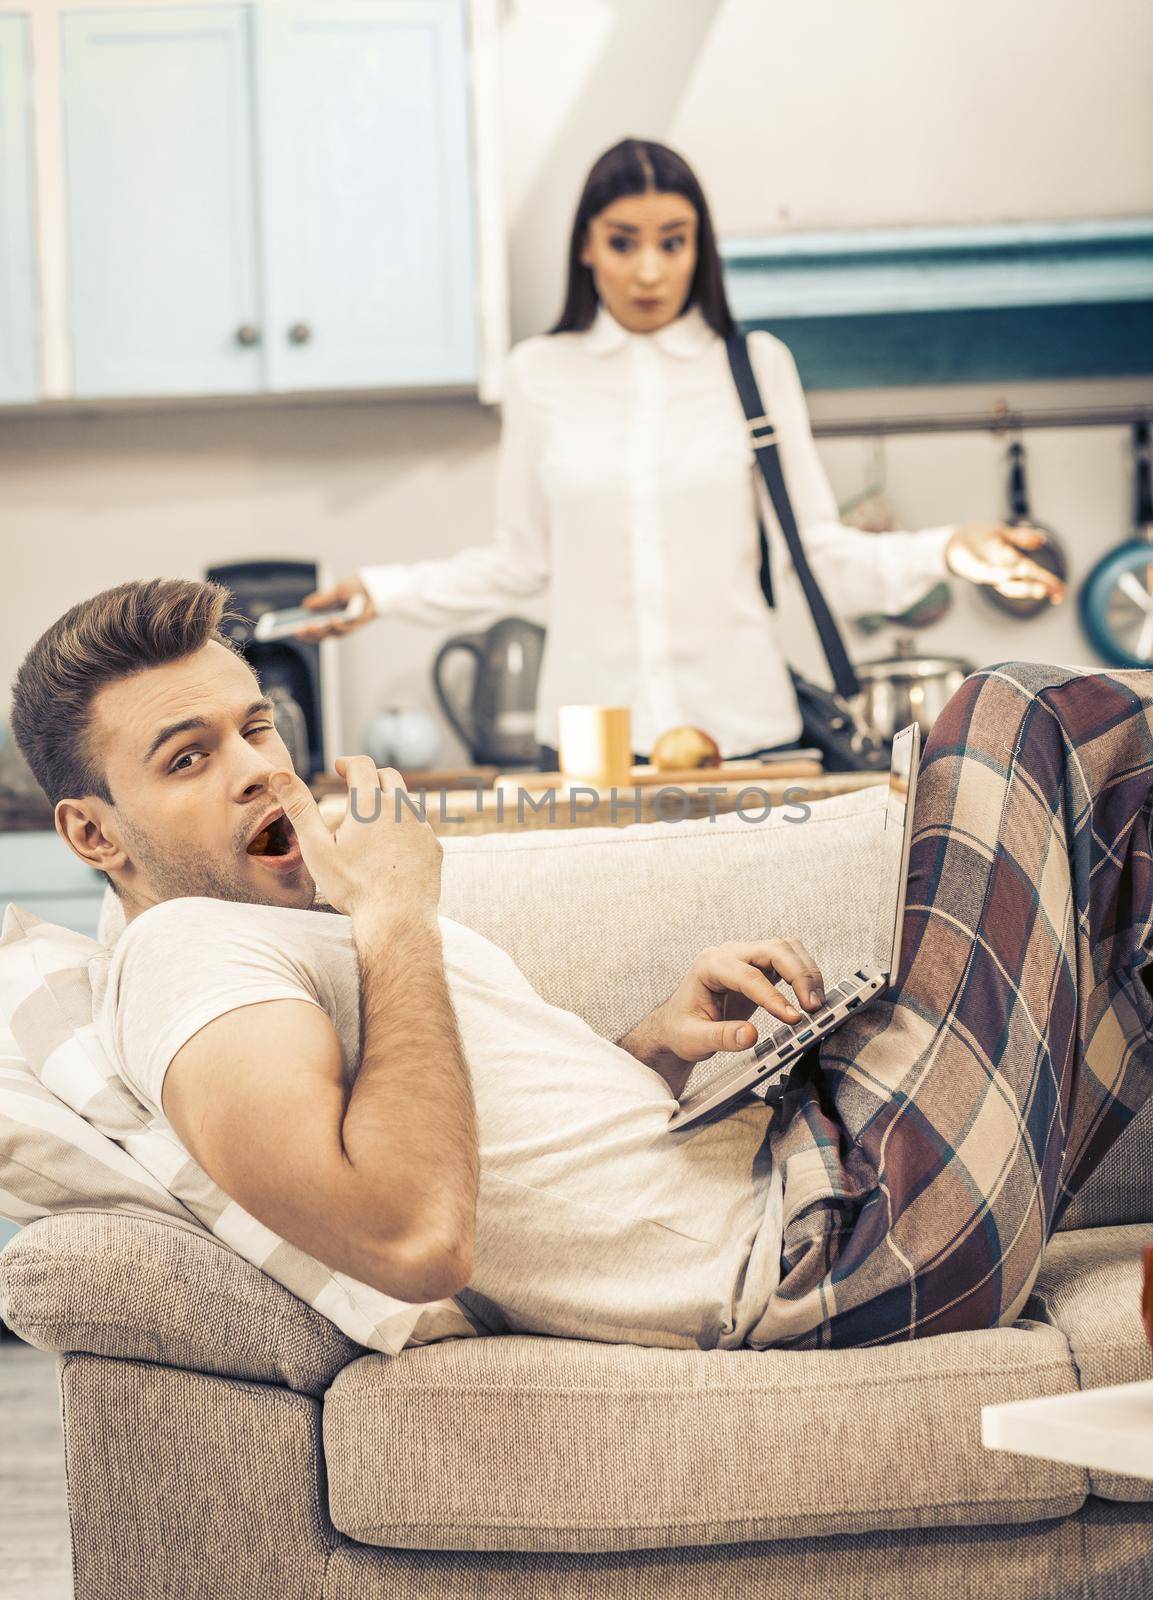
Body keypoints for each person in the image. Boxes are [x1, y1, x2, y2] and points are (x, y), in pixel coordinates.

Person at [9, 578, 1152, 1349]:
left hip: (849, 1197)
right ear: (95, 834)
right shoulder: (183, 956)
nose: (258, 770)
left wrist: (646, 1048)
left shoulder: (290, 930)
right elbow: (412, 1236)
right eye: (187, 758)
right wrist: (399, 909)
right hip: (838, 1249)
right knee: (1022, 714)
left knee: (1128, 897)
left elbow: (506, 1157)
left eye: (256, 728)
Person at [294, 138, 1064, 766]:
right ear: (587, 249)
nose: (650, 270)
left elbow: (818, 557)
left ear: (700, 247)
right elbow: (519, 562)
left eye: (673, 241)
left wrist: (947, 552)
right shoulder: (539, 375)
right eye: (623, 243)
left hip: (747, 739)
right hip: (589, 753)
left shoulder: (755, 366)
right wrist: (383, 592)